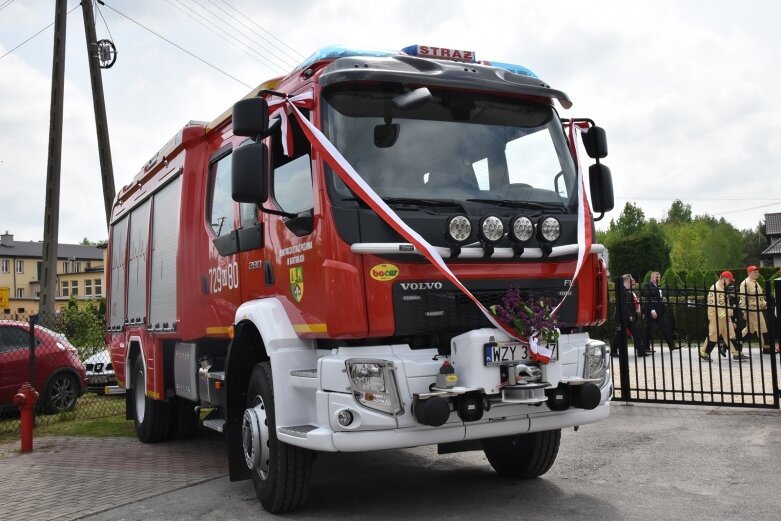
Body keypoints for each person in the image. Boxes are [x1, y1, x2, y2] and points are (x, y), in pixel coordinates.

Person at [700, 271, 748, 362]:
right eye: (729, 280)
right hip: (716, 317)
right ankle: (704, 353)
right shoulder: (715, 288)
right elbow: (714, 304)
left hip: (724, 316)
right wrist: (724, 314)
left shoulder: (721, 288)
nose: (730, 282)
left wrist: (729, 312)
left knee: (730, 334)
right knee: (713, 335)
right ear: (724, 278)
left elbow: (725, 303)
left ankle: (736, 353)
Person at [612, 274, 651, 357]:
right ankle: (613, 351)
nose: (633, 281)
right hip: (622, 317)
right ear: (627, 280)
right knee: (618, 334)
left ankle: (641, 352)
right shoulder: (621, 289)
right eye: (632, 279)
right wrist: (629, 315)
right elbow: (622, 304)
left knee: (635, 333)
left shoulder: (628, 290)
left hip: (630, 316)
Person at [642, 271, 679, 352]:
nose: (658, 278)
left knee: (665, 327)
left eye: (659, 277)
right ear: (651, 278)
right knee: (648, 329)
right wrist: (652, 310)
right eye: (656, 277)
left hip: (660, 310)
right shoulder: (647, 286)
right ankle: (646, 347)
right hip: (651, 310)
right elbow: (648, 299)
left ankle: (671, 345)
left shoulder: (658, 286)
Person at [739, 265, 770, 353]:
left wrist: (765, 304)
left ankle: (731, 344)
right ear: (749, 273)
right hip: (752, 310)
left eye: (757, 272)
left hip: (757, 309)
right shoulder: (745, 283)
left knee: (750, 329)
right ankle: (767, 348)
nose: (757, 274)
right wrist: (744, 311)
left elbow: (760, 297)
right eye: (754, 272)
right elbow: (743, 298)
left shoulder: (755, 282)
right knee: (762, 327)